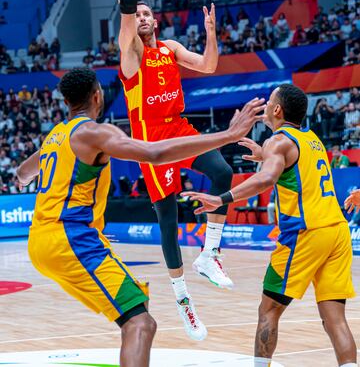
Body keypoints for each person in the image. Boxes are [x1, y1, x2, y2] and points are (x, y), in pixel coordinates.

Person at [16, 68, 264, 365]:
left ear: (67, 101)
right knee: (141, 324)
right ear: (98, 96)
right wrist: (228, 135)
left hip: (42, 240)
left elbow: (22, 174)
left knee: (137, 303)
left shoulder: (56, 135)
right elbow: (154, 154)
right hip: (70, 239)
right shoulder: (95, 132)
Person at [98, 0, 238, 340]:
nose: (140, 17)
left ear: (155, 20)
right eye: (135, 14)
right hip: (153, 144)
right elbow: (126, 5)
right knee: (167, 218)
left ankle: (210, 254)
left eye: (146, 13)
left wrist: (211, 32)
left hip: (180, 128)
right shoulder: (131, 55)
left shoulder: (171, 49)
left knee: (223, 172)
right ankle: (182, 298)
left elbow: (210, 67)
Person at [183, 84, 357, 367]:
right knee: (334, 317)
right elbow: (295, 167)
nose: (264, 107)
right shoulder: (311, 139)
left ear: (277, 109)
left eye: (269, 102)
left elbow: (266, 180)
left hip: (306, 233)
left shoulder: (277, 141)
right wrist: (266, 156)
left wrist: (221, 198)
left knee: (269, 310)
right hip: (337, 231)